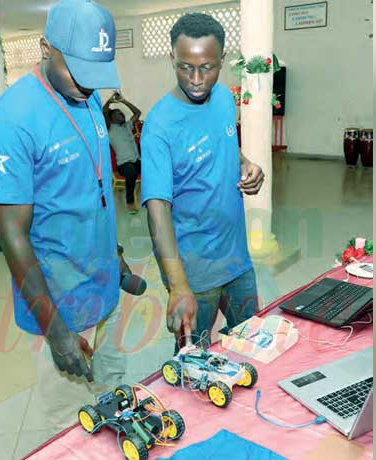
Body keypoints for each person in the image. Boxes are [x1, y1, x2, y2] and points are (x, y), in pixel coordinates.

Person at [0, 0, 126, 432]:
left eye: (96, 72)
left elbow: (91, 187)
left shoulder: (88, 94)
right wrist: (56, 329)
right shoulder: (13, 120)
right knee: (71, 426)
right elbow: (12, 235)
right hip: (60, 305)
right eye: (78, 70)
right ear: (46, 48)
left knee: (117, 400)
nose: (88, 85)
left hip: (105, 289)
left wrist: (113, 255)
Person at [140, 13, 266, 352]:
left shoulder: (225, 98)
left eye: (207, 68)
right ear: (172, 59)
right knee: (194, 367)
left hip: (237, 260)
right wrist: (178, 285)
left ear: (222, 61)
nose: (196, 79)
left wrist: (247, 165)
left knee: (252, 347)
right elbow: (157, 210)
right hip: (194, 274)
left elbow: (224, 145)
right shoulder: (159, 125)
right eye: (185, 67)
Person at [102, 92, 142, 214]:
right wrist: (110, 101)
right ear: (111, 118)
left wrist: (123, 101)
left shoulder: (128, 125)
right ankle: (130, 202)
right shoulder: (110, 129)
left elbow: (137, 113)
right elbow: (104, 111)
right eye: (118, 114)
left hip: (137, 161)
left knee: (154, 167)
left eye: (122, 113)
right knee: (131, 172)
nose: (122, 115)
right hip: (124, 165)